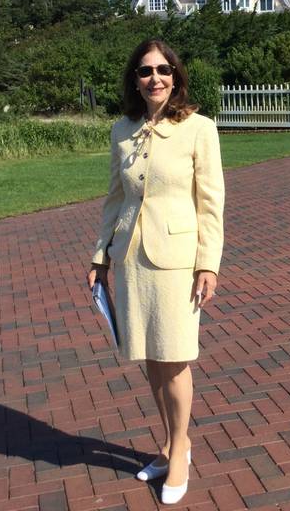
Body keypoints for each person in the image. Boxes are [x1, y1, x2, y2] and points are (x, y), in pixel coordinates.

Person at [87, 38, 224, 505]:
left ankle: (181, 449)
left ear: (177, 75)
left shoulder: (199, 128)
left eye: (163, 69)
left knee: (175, 356)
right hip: (130, 259)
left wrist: (208, 264)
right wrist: (99, 256)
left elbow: (211, 203)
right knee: (149, 356)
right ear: (134, 79)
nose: (155, 78)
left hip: (178, 260)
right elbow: (114, 198)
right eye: (145, 71)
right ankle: (166, 445)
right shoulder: (121, 129)